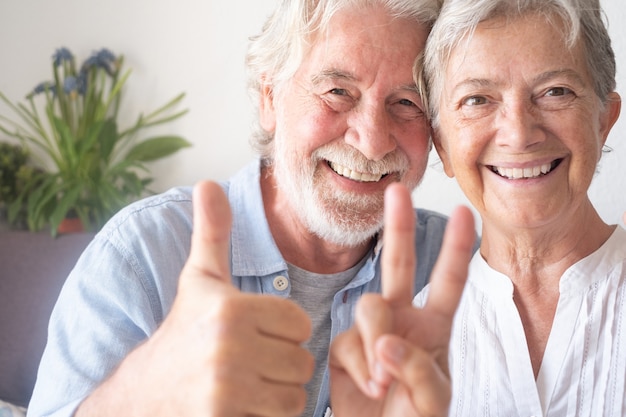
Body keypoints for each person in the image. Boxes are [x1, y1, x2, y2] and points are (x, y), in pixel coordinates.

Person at [27, 1, 479, 416]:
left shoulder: (456, 269)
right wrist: (145, 391)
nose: (373, 139)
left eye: (407, 103)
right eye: (338, 91)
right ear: (269, 98)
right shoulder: (143, 253)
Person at [331, 0, 626, 416]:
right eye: (477, 100)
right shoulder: (407, 348)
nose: (518, 134)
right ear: (443, 146)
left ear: (603, 120)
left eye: (555, 91)